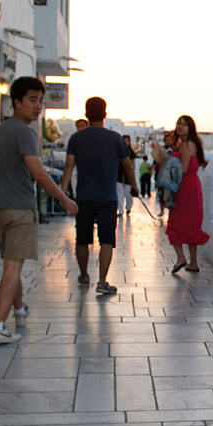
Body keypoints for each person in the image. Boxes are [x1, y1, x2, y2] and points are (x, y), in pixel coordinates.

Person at [0, 76, 78, 344]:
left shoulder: (0, 131)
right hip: (20, 210)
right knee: (12, 266)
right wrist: (64, 199)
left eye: (41, 101)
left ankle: (19, 310)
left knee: (13, 262)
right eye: (32, 100)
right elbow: (39, 174)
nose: (38, 107)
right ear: (17, 102)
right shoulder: (25, 132)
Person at [61, 97, 139, 294]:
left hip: (84, 197)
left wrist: (62, 193)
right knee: (106, 240)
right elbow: (128, 164)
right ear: (105, 114)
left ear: (86, 115)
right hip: (107, 197)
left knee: (82, 239)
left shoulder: (76, 138)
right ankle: (102, 281)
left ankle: (84, 275)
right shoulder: (115, 138)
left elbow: (69, 165)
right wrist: (135, 186)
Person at [163, 115, 209, 273]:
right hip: (194, 186)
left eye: (184, 125)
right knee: (192, 225)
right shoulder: (196, 143)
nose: (180, 127)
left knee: (175, 223)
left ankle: (181, 258)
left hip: (184, 186)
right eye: (178, 124)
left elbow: (182, 169)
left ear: (190, 127)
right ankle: (193, 263)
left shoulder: (184, 145)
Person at [117, 135, 136, 217]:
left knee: (128, 194)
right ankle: (120, 211)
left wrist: (132, 178)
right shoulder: (117, 152)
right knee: (119, 194)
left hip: (128, 176)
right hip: (119, 176)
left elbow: (132, 165)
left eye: (127, 140)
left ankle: (128, 207)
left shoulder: (131, 153)